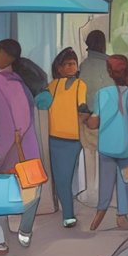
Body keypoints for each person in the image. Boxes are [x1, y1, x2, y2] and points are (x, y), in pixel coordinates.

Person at [0, 40, 43, 256]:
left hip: (2, 147)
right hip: (28, 149)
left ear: (4, 55)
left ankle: (0, 242)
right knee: (31, 190)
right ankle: (25, 230)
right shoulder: (23, 83)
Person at [87, 55, 128, 232]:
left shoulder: (102, 94)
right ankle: (122, 216)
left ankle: (100, 211)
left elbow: (94, 123)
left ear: (109, 73)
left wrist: (85, 119)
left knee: (105, 181)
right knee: (124, 182)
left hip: (106, 147)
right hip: (126, 148)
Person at [43, 48, 89, 227]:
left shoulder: (80, 84)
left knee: (66, 177)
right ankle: (68, 213)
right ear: (59, 68)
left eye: (73, 64)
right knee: (61, 178)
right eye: (67, 64)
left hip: (73, 138)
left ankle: (68, 213)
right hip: (54, 137)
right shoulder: (51, 85)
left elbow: (82, 106)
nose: (71, 67)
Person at [78, 31, 112, 207]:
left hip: (88, 116)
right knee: (106, 156)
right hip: (108, 117)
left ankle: (91, 191)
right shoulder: (110, 65)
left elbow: (81, 94)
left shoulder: (84, 66)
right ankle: (105, 191)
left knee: (89, 154)